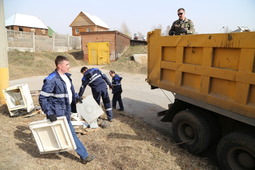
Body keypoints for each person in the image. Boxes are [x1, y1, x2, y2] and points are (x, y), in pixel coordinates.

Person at [39, 56, 95, 164]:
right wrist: (49, 113)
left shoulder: (66, 77)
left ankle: (58, 148)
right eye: (67, 65)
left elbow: (68, 91)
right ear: (59, 66)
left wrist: (76, 97)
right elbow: (43, 98)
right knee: (71, 133)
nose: (69, 67)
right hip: (57, 112)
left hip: (66, 110)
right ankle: (84, 156)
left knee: (61, 132)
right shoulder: (51, 79)